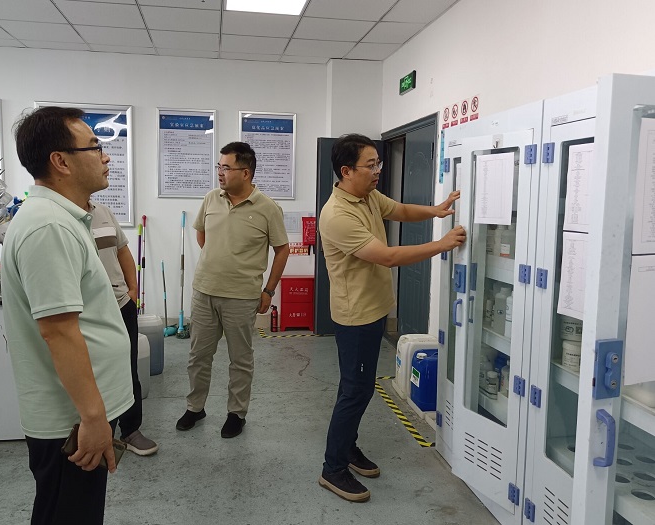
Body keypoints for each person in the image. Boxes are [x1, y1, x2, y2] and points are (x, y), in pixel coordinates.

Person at [1, 106, 134, 524]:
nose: (105, 156)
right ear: (60, 161)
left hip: (80, 411)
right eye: (94, 147)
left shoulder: (64, 218)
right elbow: (58, 332)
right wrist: (93, 418)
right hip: (71, 421)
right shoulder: (48, 227)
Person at [317, 133, 466, 502]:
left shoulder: (367, 196)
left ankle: (347, 446)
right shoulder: (337, 215)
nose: (377, 171)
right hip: (355, 316)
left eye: (378, 164)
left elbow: (399, 210)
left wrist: (436, 210)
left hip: (374, 308)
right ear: (346, 171)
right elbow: (386, 256)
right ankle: (332, 468)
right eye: (370, 165)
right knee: (355, 390)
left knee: (358, 387)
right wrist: (441, 245)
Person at [176, 141, 289, 438]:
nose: (220, 172)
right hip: (204, 291)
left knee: (240, 359)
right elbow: (202, 236)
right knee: (198, 355)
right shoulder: (211, 198)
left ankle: (236, 413)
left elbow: (282, 250)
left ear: (246, 172)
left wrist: (269, 290)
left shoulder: (268, 208)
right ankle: (195, 407)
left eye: (226, 167)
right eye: (219, 166)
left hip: (242, 296)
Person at [89, 201, 158, 456]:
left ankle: (130, 430)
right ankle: (99, 435)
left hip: (120, 304)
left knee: (129, 369)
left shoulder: (103, 212)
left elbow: (122, 251)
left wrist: (132, 291)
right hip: (87, 312)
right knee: (93, 374)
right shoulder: (58, 215)